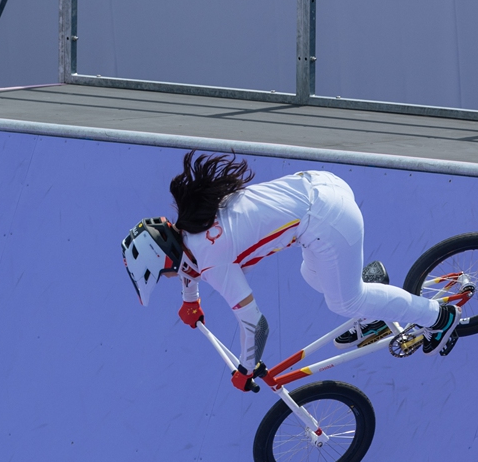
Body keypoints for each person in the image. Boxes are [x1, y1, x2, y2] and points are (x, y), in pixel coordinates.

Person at [121, 151, 459, 392]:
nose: (169, 278)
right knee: (311, 276)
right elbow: (187, 263)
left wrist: (247, 367)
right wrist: (190, 299)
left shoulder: (212, 262)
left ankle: (439, 317)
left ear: (165, 261)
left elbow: (256, 324)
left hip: (327, 221)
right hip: (323, 188)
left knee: (343, 302)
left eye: (163, 275)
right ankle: (371, 311)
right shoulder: (189, 227)